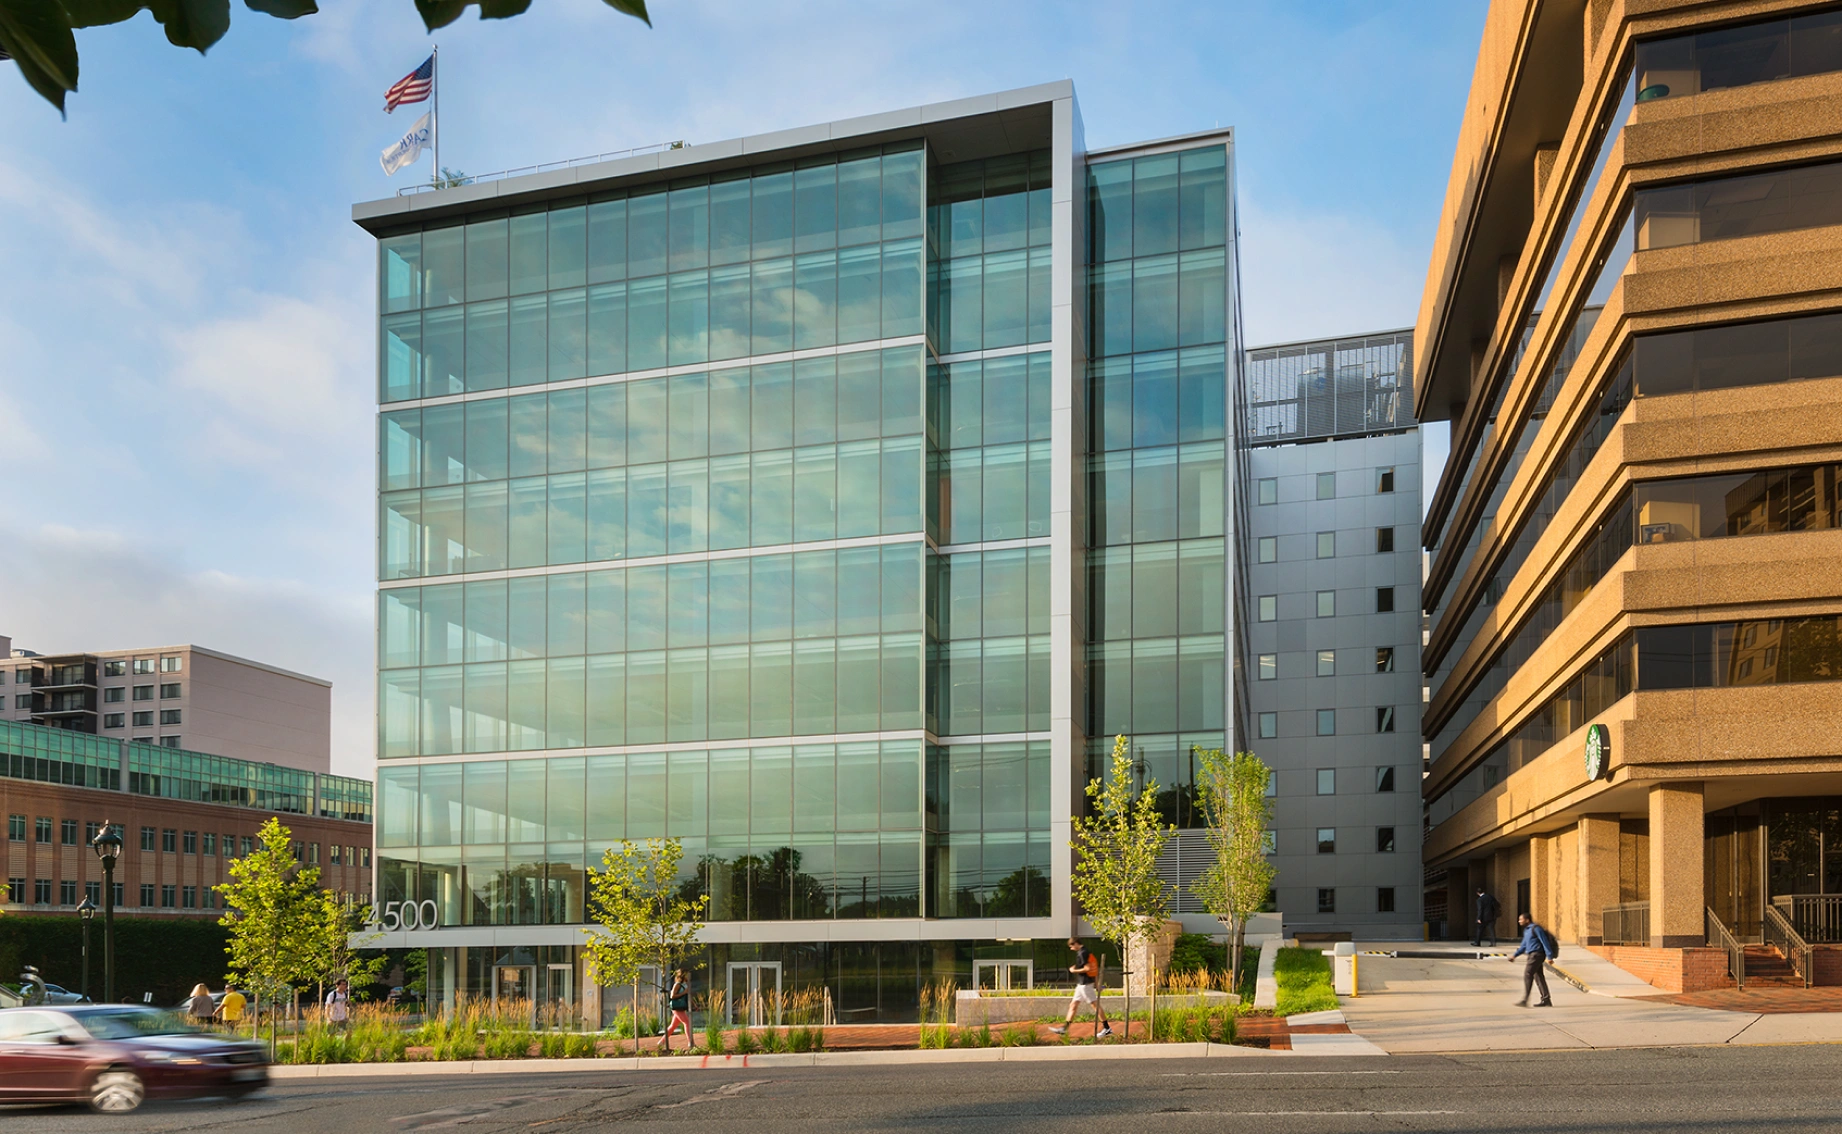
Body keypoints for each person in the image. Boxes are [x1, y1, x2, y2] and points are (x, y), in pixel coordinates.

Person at [1048, 937, 1113, 1040]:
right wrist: (1096, 985)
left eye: (1071, 946)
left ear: (1076, 943)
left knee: (1095, 1006)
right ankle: (1065, 1028)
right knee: (1073, 1004)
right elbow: (1094, 969)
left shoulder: (1082, 953)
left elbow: (1087, 969)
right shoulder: (1087, 952)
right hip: (1082, 985)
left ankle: (1107, 1028)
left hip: (1085, 985)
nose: (1071, 948)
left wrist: (1074, 971)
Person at [1508, 912, 1558, 1008]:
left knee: (1528, 974)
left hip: (1537, 955)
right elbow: (1523, 946)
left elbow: (1545, 942)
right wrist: (1514, 956)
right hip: (1532, 955)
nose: (1519, 921)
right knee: (1538, 976)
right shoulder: (1527, 931)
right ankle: (1546, 999)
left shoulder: (1536, 928)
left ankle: (1525, 999)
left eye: (1521, 919)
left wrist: (1550, 956)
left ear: (1527, 920)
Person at [660, 969, 693, 1052]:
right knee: (687, 1022)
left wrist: (694, 1004)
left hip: (681, 1007)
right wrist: (684, 992)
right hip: (676, 1007)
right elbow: (672, 996)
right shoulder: (677, 984)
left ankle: (661, 1042)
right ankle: (690, 1042)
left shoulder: (685, 984)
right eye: (686, 975)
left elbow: (687, 996)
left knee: (673, 1026)